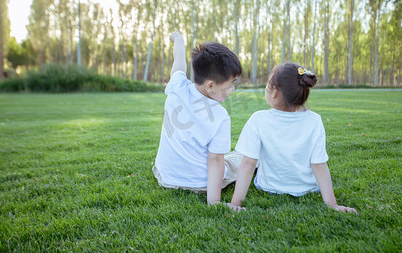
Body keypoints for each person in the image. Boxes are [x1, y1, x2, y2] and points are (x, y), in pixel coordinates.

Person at [227, 63, 358, 214]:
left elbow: (248, 164)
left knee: (250, 160)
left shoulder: (258, 119)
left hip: (269, 186)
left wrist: (235, 202)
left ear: (274, 92)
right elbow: (319, 165)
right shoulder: (315, 120)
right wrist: (332, 205)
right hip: (308, 187)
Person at [153, 29, 243, 206]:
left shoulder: (177, 87)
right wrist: (214, 201)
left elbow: (179, 62)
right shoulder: (220, 116)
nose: (232, 90)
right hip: (199, 184)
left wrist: (178, 40)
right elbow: (215, 160)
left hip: (165, 177)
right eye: (230, 84)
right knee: (242, 157)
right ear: (210, 86)